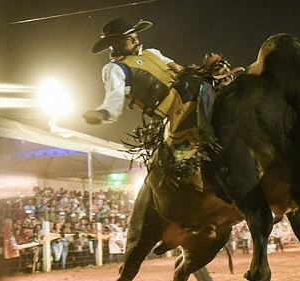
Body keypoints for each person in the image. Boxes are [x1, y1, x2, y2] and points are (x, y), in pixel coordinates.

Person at [83, 17, 240, 168]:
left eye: (135, 36)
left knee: (216, 84)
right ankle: (195, 146)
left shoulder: (152, 52)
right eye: (130, 38)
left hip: (188, 89)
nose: (136, 40)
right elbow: (114, 100)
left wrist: (204, 67)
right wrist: (103, 114)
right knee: (198, 91)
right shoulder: (115, 68)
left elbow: (179, 69)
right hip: (171, 108)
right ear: (115, 43)